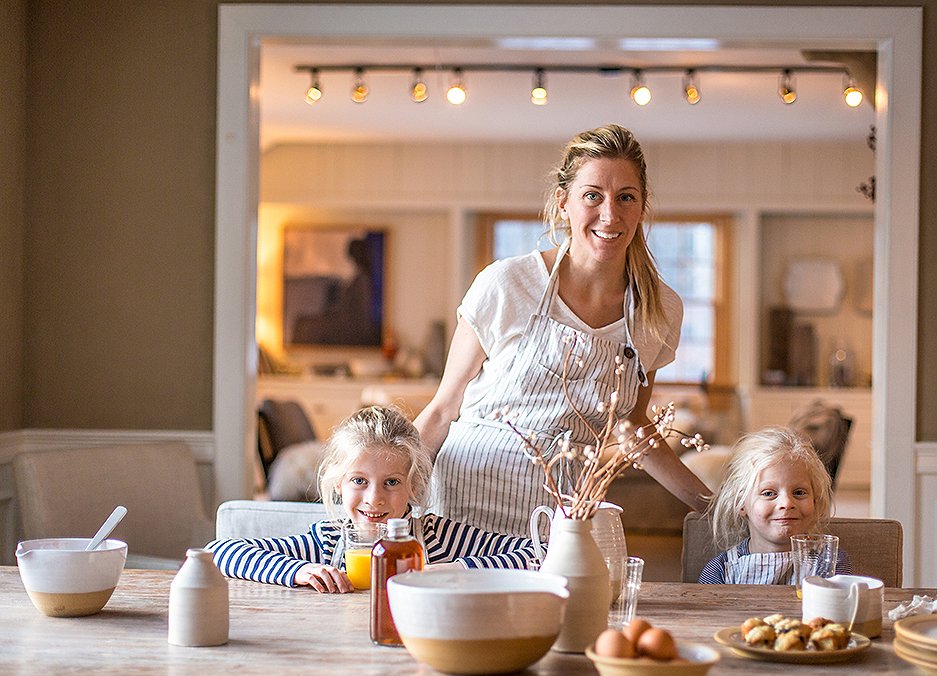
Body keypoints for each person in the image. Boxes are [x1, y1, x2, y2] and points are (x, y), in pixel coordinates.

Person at [415, 124, 712, 537]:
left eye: (626, 197)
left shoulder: (659, 309)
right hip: (462, 503)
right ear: (563, 204)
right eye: (593, 195)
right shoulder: (508, 284)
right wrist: (386, 498)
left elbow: (633, 428)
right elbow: (443, 410)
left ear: (642, 207)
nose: (610, 214)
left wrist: (717, 509)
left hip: (560, 516)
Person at [208, 406, 538, 593]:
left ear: (414, 485)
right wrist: (300, 570)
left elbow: (537, 553)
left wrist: (450, 570)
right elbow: (218, 552)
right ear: (338, 484)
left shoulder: (437, 538)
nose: (375, 498)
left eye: (392, 482)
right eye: (359, 481)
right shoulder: (328, 541)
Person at [698, 427, 851, 584]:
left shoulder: (830, 563)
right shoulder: (720, 570)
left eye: (799, 492)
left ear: (815, 500)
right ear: (740, 503)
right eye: (768, 493)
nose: (786, 503)